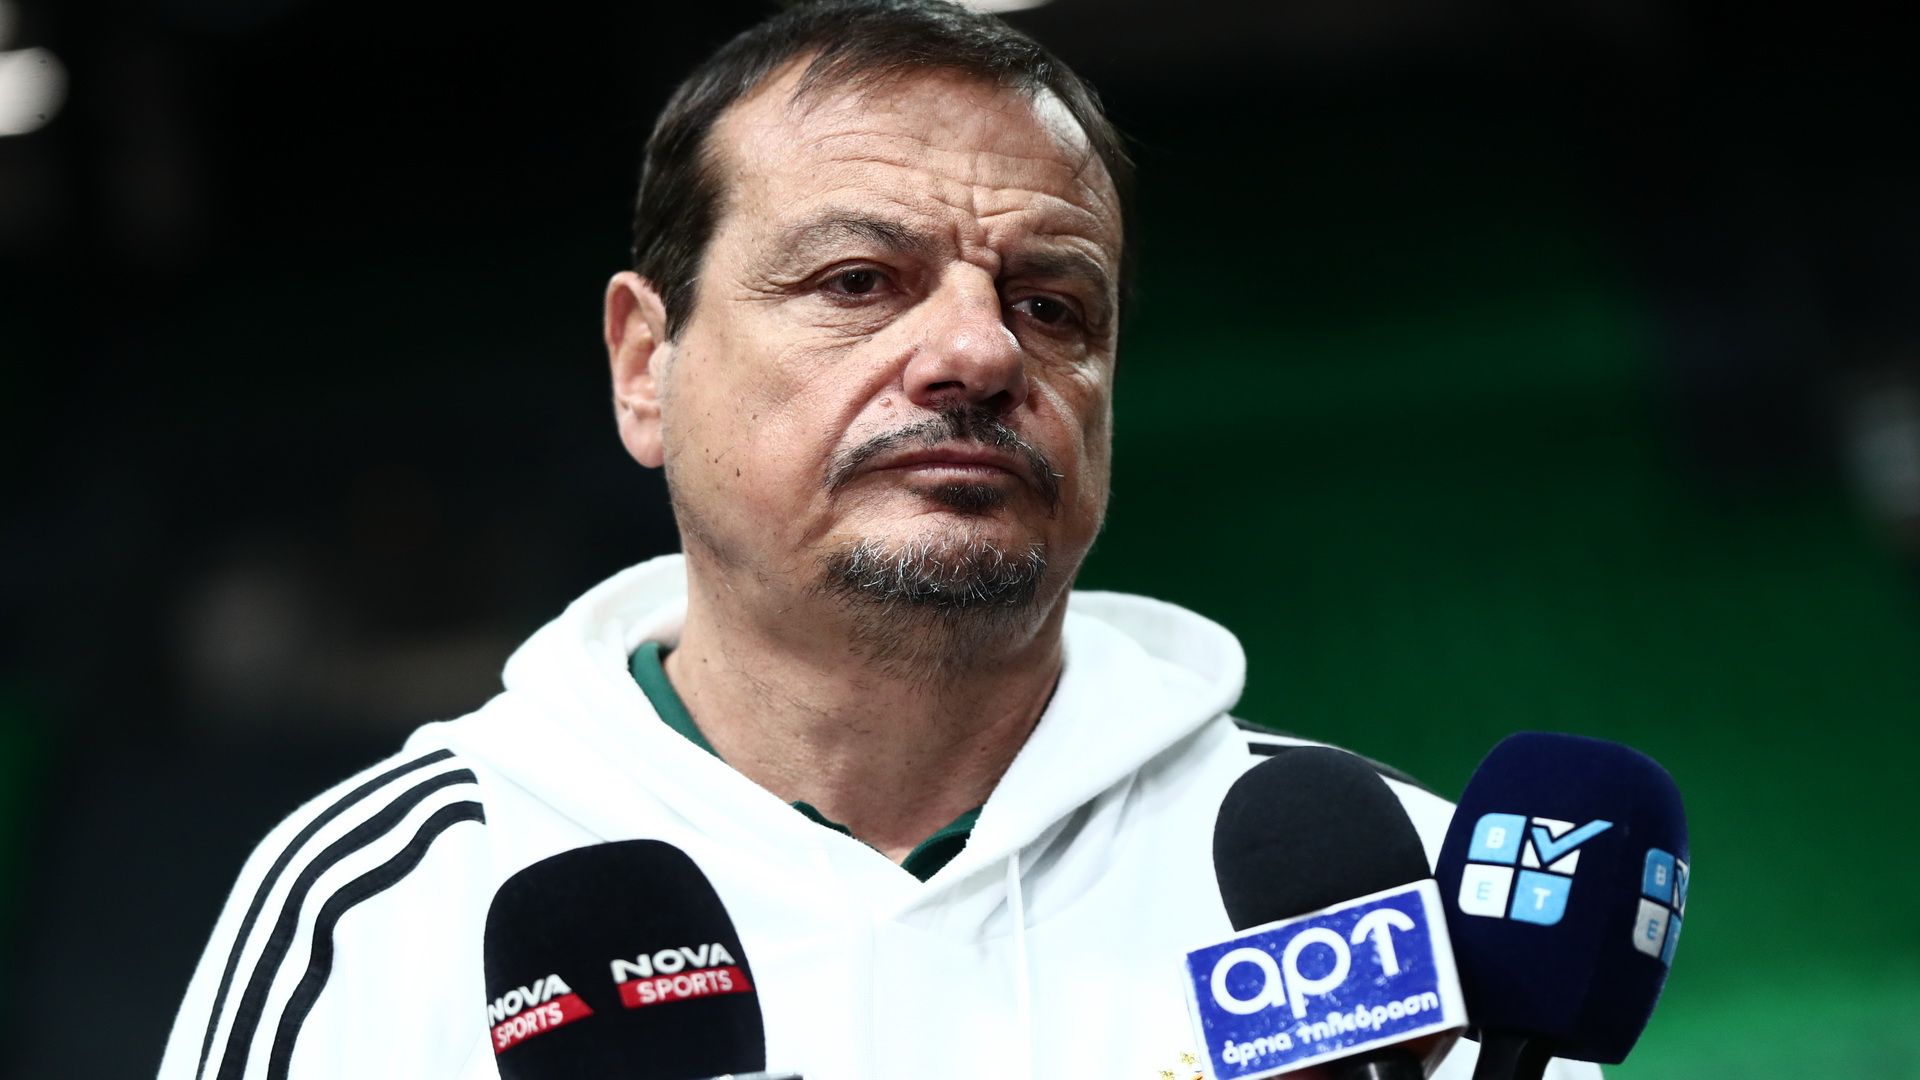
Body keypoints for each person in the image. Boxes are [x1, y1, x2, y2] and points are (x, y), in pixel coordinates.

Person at [160, 2, 1599, 1077]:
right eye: (858, 280)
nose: (978, 351)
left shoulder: (1390, 890)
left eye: (1051, 305)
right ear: (646, 367)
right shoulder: (387, 907)